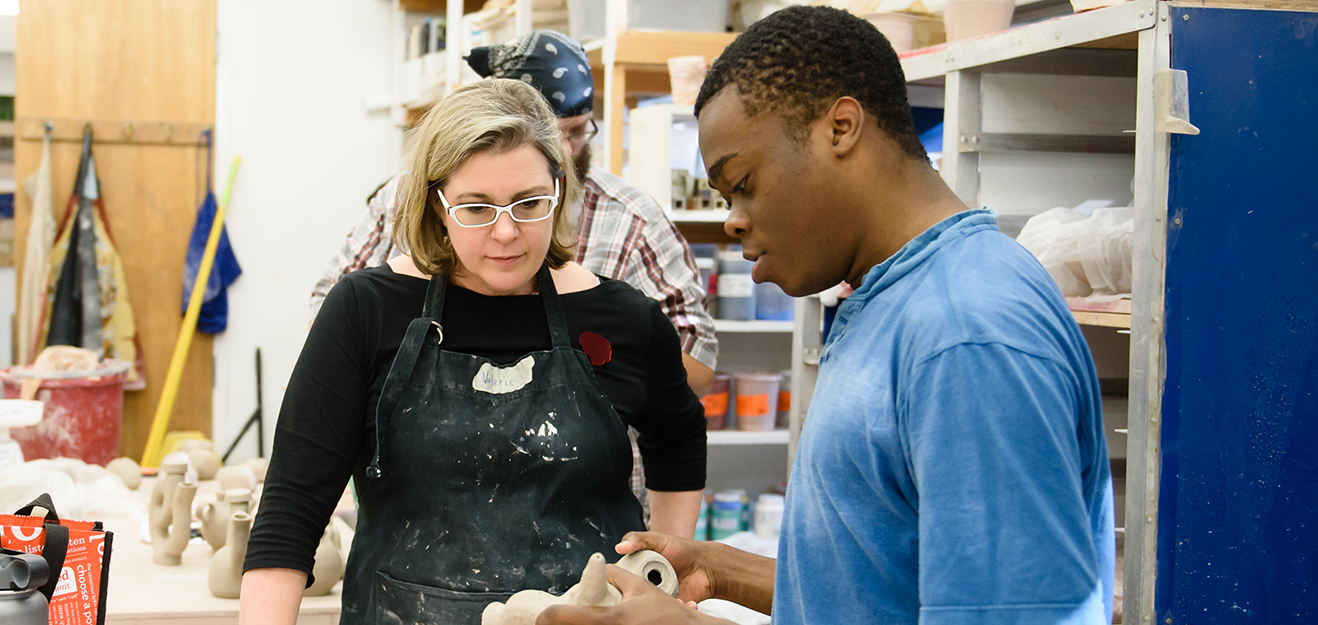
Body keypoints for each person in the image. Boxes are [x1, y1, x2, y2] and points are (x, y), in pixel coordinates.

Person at [537, 7, 1115, 625]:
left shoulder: (968, 334)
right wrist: (724, 570)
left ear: (841, 127)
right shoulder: (890, 299)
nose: (732, 220)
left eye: (744, 183)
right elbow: (878, 583)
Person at [242, 79, 707, 625]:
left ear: (559, 190)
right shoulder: (364, 312)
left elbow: (678, 440)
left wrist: (664, 580)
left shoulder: (622, 317)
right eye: (476, 208)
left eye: (529, 203)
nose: (506, 233)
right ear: (437, 205)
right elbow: (293, 506)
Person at [312, 30, 717, 397]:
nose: (566, 152)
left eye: (577, 132)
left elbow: (696, 370)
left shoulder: (631, 218)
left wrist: (597, 349)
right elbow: (330, 317)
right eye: (476, 207)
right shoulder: (404, 199)